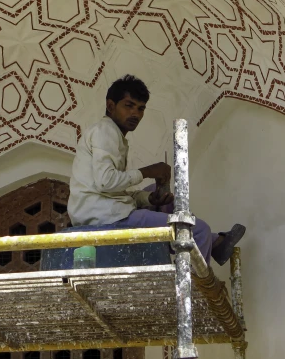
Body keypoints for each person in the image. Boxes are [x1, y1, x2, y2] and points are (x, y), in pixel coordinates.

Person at [68, 74, 245, 265]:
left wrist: (150, 199)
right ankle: (195, 278)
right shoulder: (106, 131)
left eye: (141, 108)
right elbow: (107, 181)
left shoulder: (112, 134)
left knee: (155, 192)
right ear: (111, 106)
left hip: (106, 210)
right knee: (198, 230)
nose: (135, 114)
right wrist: (147, 171)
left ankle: (214, 243)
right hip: (106, 217)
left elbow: (112, 191)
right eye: (128, 106)